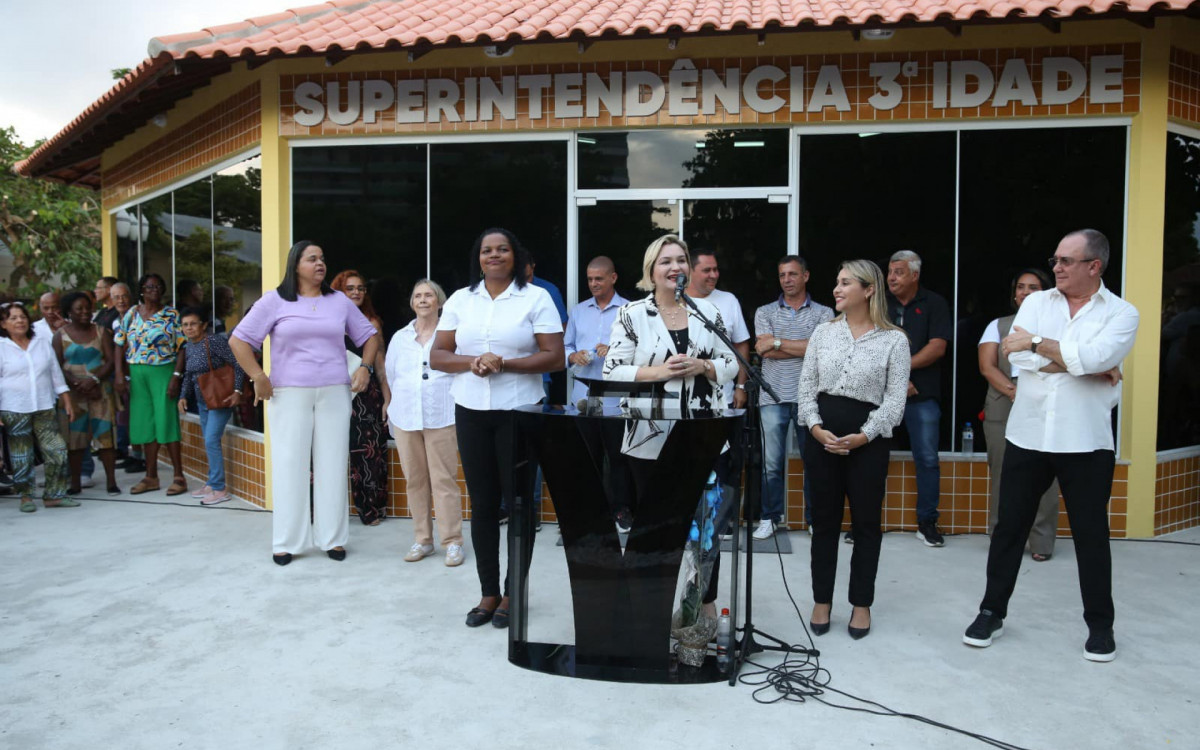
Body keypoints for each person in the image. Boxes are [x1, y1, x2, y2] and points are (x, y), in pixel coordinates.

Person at [963, 229, 1139, 663]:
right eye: (1055, 260)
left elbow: (1093, 357)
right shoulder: (1038, 303)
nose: (1056, 267)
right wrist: (1082, 363)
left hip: (1086, 441)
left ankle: (1100, 627)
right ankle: (991, 612)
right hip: (1029, 435)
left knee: (1091, 536)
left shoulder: (1122, 313)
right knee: (1009, 529)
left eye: (1066, 261)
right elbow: (1015, 355)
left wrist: (1040, 343)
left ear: (1094, 266)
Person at [430, 228, 564, 628]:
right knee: (483, 504)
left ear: (515, 256)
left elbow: (555, 356)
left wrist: (504, 363)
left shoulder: (535, 297)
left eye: (502, 249)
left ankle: (512, 592)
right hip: (471, 411)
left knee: (519, 503)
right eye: (487, 250)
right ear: (479, 258)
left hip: (518, 411)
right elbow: (438, 355)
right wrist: (472, 362)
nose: (494, 255)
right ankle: (488, 592)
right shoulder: (460, 299)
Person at [603, 234, 738, 620]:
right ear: (651, 270)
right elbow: (613, 371)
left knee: (705, 529)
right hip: (649, 437)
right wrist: (660, 372)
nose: (675, 267)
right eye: (666, 261)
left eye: (681, 260)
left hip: (703, 436)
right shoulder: (632, 314)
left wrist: (704, 366)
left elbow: (732, 363)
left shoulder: (706, 311)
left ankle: (703, 607)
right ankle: (650, 606)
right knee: (655, 530)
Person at [230, 241, 378, 566]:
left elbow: (370, 336)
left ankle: (333, 539)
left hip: (334, 392)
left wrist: (365, 368)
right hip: (289, 393)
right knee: (289, 465)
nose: (320, 263)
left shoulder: (338, 301)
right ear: (296, 265)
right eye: (312, 259)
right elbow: (238, 340)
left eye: (322, 258)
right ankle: (286, 542)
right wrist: (258, 375)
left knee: (333, 464)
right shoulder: (275, 301)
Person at [798, 260, 910, 640]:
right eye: (837, 281)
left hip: (869, 444)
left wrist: (865, 435)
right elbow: (806, 388)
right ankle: (822, 600)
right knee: (824, 523)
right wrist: (816, 428)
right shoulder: (823, 332)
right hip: (822, 440)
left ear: (869, 290)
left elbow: (895, 402)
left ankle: (861, 604)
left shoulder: (895, 340)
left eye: (845, 282)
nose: (837, 289)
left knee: (866, 524)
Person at [979, 268, 1060, 561]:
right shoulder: (998, 325)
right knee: (1003, 471)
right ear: (1014, 294)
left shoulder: (1058, 326)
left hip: (1045, 398)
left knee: (1046, 473)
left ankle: (1041, 541)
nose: (1025, 292)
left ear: (1047, 293)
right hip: (1004, 399)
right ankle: (1002, 538)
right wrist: (1014, 392)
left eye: (1033, 287)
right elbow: (987, 366)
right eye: (1021, 287)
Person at [752, 255, 834, 540]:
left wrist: (777, 343)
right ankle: (769, 518)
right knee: (771, 464)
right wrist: (803, 347)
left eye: (792, 274)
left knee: (814, 462)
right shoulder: (765, 311)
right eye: (782, 275)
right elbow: (763, 351)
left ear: (805, 276)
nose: (786, 280)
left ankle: (814, 520)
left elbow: (822, 350)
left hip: (810, 397)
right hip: (772, 396)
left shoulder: (824, 313)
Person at [386, 279, 465, 566]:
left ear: (439, 302)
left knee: (444, 480)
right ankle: (422, 539)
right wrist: (392, 406)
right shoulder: (400, 337)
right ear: (412, 303)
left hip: (440, 415)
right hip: (406, 416)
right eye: (417, 295)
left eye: (429, 295)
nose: (423, 300)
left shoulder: (450, 336)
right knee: (415, 480)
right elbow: (391, 375)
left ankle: (452, 542)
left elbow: (460, 371)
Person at [886, 250, 951, 547]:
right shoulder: (879, 304)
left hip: (921, 395)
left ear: (915, 275)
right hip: (882, 395)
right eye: (890, 272)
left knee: (926, 458)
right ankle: (864, 522)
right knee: (870, 457)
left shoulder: (934, 303)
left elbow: (937, 347)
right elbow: (868, 345)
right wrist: (899, 378)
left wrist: (902, 371)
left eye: (898, 272)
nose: (892, 278)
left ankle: (927, 522)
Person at [564, 256, 631, 529]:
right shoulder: (579, 311)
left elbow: (641, 352)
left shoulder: (629, 310)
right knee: (586, 459)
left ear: (613, 278)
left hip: (616, 398)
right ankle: (588, 515)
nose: (593, 284)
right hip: (583, 397)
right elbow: (565, 347)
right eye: (590, 279)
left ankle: (621, 512)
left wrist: (614, 351)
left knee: (618, 458)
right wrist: (573, 356)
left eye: (599, 279)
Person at [113, 273, 188, 496]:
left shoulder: (171, 314)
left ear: (163, 290)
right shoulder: (131, 314)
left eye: (157, 286)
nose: (153, 290)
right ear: (141, 290)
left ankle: (179, 476)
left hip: (163, 370)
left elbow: (182, 347)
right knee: (144, 423)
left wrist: (176, 375)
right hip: (137, 373)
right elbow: (119, 343)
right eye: (148, 287)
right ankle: (151, 476)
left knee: (166, 421)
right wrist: (119, 374)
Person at [0, 301, 77, 512]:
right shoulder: (2, 346)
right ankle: (26, 497)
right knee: (21, 455)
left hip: (44, 405)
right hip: (14, 408)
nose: (19, 321)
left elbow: (55, 373)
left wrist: (66, 400)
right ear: (3, 324)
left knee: (57, 449)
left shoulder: (41, 343)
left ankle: (54, 495)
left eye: (22, 317)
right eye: (13, 318)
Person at [331, 270, 391, 526]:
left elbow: (380, 364)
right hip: (332, 393)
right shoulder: (327, 321)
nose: (356, 292)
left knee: (368, 453)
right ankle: (324, 509)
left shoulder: (371, 323)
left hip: (366, 395)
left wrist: (387, 398)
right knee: (328, 451)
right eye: (350, 288)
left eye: (361, 288)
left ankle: (371, 509)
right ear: (339, 292)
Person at [51, 292, 120, 496]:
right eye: (79, 309)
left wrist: (94, 380)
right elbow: (55, 365)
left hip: (100, 391)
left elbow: (110, 361)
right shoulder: (60, 335)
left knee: (106, 437)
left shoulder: (101, 332)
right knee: (74, 440)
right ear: (69, 312)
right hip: (73, 394)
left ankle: (111, 482)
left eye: (87, 308)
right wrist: (75, 382)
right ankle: (75, 483)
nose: (85, 312)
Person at [177, 307, 245, 506]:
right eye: (185, 325)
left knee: (211, 440)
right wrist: (183, 396)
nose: (189, 328)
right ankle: (211, 483)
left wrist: (237, 390)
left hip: (220, 399)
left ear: (204, 325)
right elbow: (189, 375)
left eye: (193, 324)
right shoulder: (189, 346)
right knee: (209, 441)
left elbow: (238, 363)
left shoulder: (214, 342)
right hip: (203, 401)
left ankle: (219, 489)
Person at [685, 249, 750, 409]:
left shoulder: (729, 300)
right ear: (689, 271)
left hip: (723, 398)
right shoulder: (675, 301)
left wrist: (740, 386)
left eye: (715, 269)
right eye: (707, 270)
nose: (714, 275)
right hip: (682, 399)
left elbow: (741, 345)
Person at [107, 283, 144, 474]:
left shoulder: (139, 316)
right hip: (124, 375)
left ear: (130, 297)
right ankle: (135, 455)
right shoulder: (116, 321)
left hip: (140, 372)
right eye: (116, 297)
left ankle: (142, 458)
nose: (121, 300)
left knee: (139, 417)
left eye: (124, 296)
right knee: (126, 417)